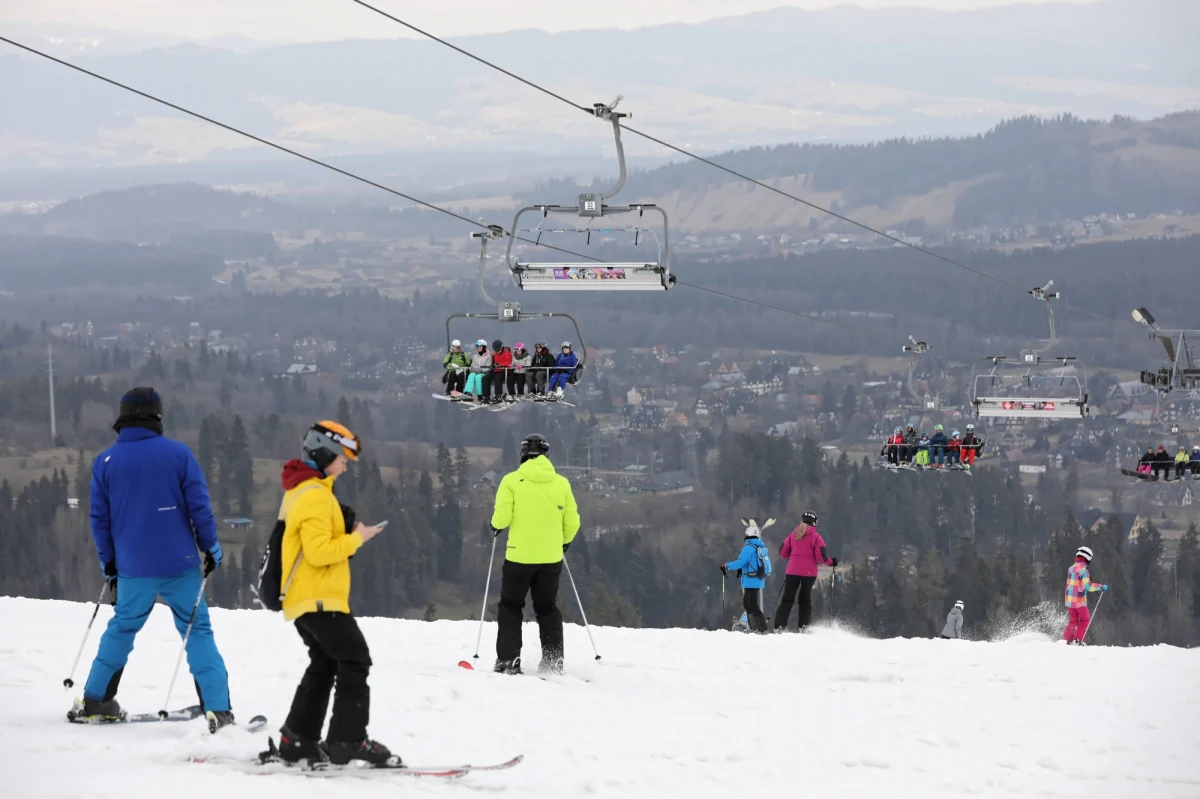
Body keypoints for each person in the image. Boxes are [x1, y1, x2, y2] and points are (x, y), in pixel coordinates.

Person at [72, 387, 233, 731]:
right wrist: (212, 549)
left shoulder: (105, 462)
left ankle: (95, 700)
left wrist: (109, 563)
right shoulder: (178, 455)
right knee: (198, 632)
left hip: (133, 569)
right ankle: (218, 710)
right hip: (181, 566)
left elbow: (100, 520)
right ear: (156, 415)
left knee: (122, 628)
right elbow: (199, 509)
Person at [276, 421, 392, 766]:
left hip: (307, 598)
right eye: (341, 459)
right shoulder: (313, 495)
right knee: (355, 659)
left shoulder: (305, 490)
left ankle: (297, 739)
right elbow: (318, 553)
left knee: (325, 663)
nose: (344, 466)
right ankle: (346, 740)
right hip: (319, 598)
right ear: (325, 453)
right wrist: (358, 538)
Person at [490, 434, 580, 675]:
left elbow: (502, 519)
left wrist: (495, 526)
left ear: (523, 455)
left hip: (519, 557)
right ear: (546, 456)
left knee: (511, 606)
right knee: (547, 607)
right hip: (550, 559)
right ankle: (553, 659)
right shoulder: (561, 484)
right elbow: (572, 522)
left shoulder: (511, 481)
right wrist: (563, 542)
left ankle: (509, 659)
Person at [773, 511, 836, 632]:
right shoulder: (816, 537)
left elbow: (782, 552)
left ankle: (779, 626)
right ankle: (804, 626)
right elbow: (821, 558)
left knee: (787, 599)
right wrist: (832, 562)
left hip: (792, 571)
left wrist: (793, 557)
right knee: (805, 600)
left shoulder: (792, 535)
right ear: (815, 523)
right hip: (809, 573)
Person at [722, 520, 773, 634]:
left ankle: (762, 629)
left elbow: (740, 563)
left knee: (752, 605)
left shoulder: (748, 548)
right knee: (748, 604)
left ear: (747, 536)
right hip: (757, 579)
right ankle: (755, 628)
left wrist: (727, 565)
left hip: (750, 580)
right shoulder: (759, 548)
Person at [1062, 545, 1106, 645]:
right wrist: (1100, 586)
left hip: (1069, 600)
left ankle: (1066, 640)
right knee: (1084, 619)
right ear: (1088, 558)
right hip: (1079, 601)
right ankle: (1077, 640)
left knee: (1073, 620)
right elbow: (1088, 586)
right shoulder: (1083, 570)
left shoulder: (1071, 568)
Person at [489, 339, 513, 404]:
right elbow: (492, 361)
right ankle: (486, 396)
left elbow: (507, 363)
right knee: (487, 377)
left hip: (506, 372)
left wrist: (498, 365)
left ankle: (498, 395)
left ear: (502, 348)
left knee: (497, 378)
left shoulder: (507, 354)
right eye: (496, 351)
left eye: (499, 350)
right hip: (497, 371)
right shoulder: (495, 355)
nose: (498, 352)